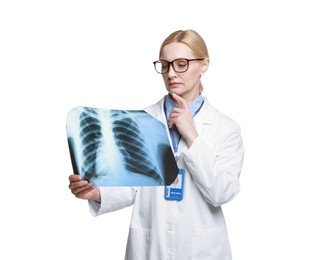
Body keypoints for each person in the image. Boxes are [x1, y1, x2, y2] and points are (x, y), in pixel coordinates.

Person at [68, 29, 245, 260]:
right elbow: (132, 186)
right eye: (165, 65)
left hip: (202, 249)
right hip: (150, 248)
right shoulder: (142, 121)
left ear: (204, 64)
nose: (171, 73)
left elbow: (221, 192)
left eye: (181, 64)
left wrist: (192, 136)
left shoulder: (225, 128)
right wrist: (97, 192)